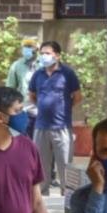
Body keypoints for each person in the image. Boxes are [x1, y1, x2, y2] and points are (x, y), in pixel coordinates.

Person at [28, 41, 82, 196]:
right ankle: (41, 196)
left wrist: (65, 109)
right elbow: (32, 95)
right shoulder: (38, 74)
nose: (44, 56)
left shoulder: (67, 73)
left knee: (65, 164)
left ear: (57, 55)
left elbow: (77, 96)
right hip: (41, 126)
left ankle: (68, 195)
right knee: (41, 165)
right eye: (42, 53)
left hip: (62, 126)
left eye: (48, 53)